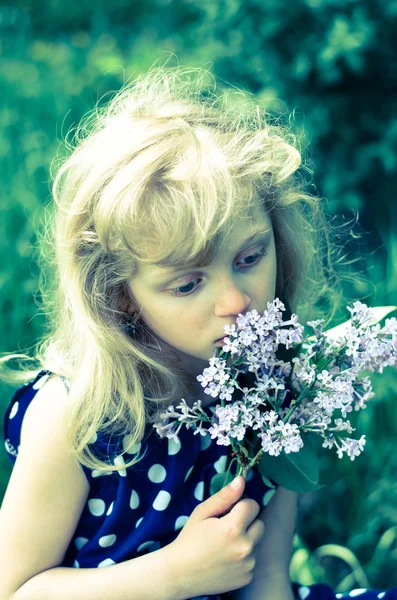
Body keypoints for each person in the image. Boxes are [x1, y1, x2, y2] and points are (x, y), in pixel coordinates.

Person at [0, 64, 395, 600]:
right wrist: (173, 576)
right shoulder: (77, 411)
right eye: (187, 285)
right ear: (121, 295)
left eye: (251, 256)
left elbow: (268, 580)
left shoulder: (278, 386)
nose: (235, 302)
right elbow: (14, 590)